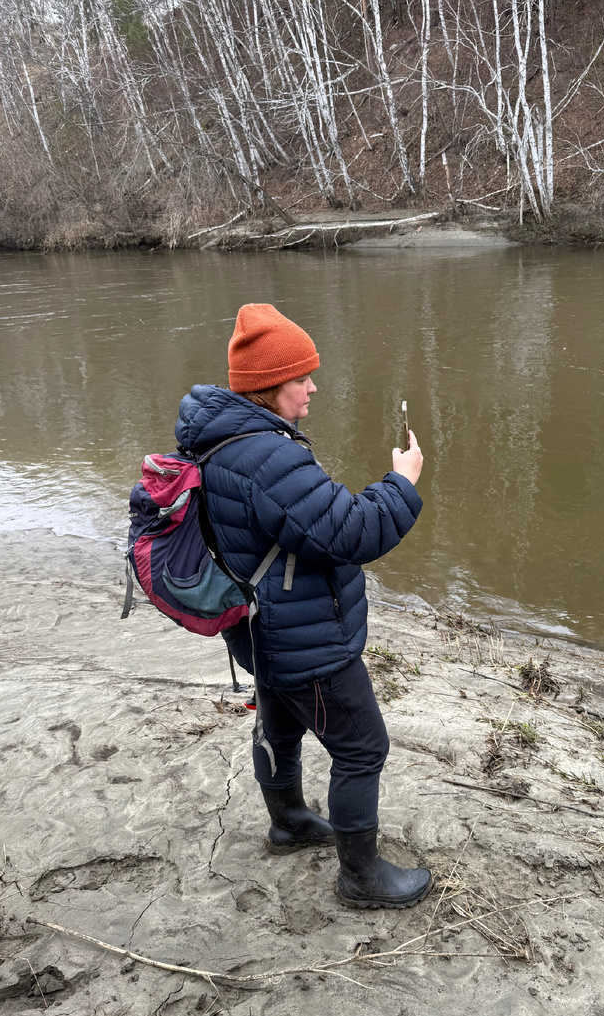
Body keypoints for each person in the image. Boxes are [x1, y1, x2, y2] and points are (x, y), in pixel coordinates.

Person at [175, 303, 432, 909]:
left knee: (280, 722)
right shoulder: (269, 457)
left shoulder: (222, 440)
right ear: (268, 386)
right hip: (306, 636)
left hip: (262, 629)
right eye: (302, 378)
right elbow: (350, 532)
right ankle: (361, 878)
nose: (313, 386)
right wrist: (403, 482)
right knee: (362, 747)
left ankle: (288, 820)